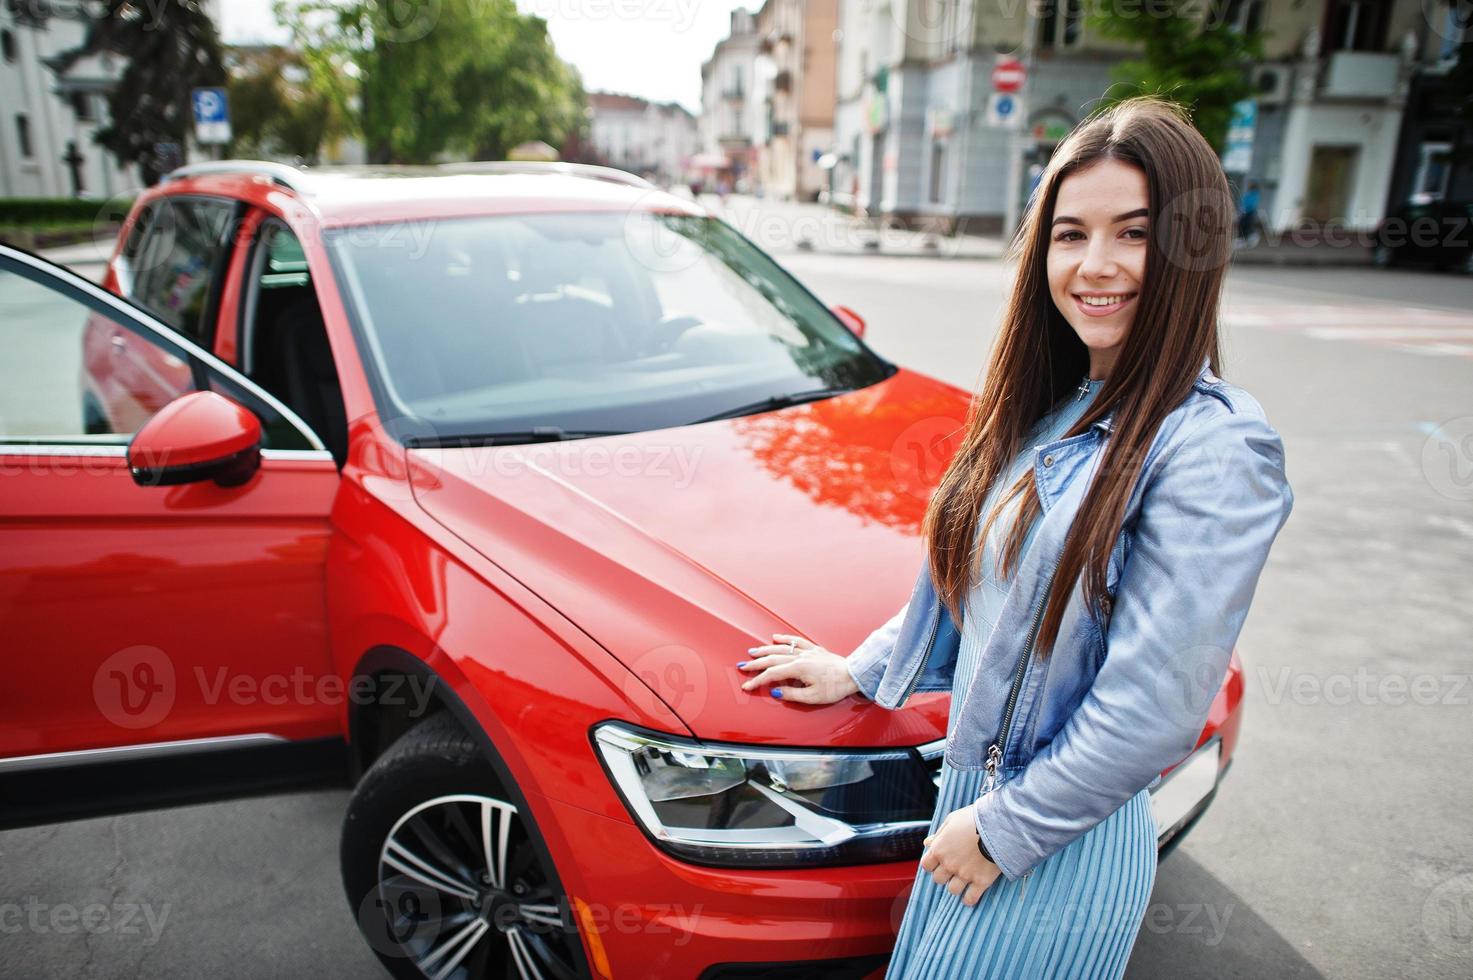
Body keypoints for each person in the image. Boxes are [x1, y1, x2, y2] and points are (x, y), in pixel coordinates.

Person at [735, 97, 1294, 978]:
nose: (1095, 265)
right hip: (980, 804)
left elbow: (1154, 705)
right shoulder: (1056, 401)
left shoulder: (1213, 446)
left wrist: (1004, 831)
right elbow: (978, 589)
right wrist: (862, 670)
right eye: (1069, 235)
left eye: (1133, 233)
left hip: (1050, 837)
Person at [1238, 179, 1262, 246]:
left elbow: (1252, 204)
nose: (1248, 185)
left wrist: (1245, 209)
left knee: (1247, 226)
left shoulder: (1255, 194)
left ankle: (1249, 239)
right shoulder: (1248, 193)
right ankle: (1243, 239)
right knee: (1242, 225)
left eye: (1250, 184)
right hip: (1245, 212)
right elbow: (1243, 201)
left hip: (1249, 212)